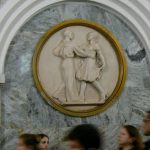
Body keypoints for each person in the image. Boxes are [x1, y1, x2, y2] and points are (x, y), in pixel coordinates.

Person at [75, 31, 106, 102]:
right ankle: (81, 96)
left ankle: (102, 92)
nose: (88, 36)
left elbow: (100, 55)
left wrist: (104, 63)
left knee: (91, 79)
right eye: (88, 35)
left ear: (93, 37)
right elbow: (78, 49)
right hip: (85, 63)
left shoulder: (96, 45)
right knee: (84, 79)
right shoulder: (85, 45)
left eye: (90, 35)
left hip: (91, 63)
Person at [53, 29, 79, 102]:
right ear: (68, 35)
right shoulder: (71, 43)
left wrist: (62, 55)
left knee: (66, 80)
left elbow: (55, 51)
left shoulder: (62, 42)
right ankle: (71, 98)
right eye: (71, 34)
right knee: (70, 81)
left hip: (64, 62)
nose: (72, 35)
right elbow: (79, 52)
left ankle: (56, 94)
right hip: (69, 62)